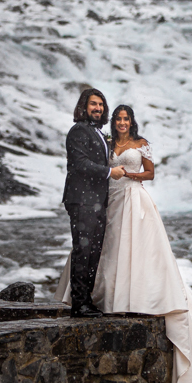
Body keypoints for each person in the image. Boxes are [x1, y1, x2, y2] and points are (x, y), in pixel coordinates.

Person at [56, 104, 192, 383]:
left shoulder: (141, 144)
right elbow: (94, 167)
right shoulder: (106, 143)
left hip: (134, 198)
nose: (122, 122)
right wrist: (112, 176)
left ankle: (136, 295)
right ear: (114, 122)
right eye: (118, 118)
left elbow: (151, 173)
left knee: (138, 251)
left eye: (126, 118)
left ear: (131, 122)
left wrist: (130, 176)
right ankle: (99, 296)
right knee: (101, 248)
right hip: (109, 199)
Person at [61, 88, 125, 318]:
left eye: (101, 105)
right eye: (93, 104)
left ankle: (86, 300)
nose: (98, 108)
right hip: (82, 200)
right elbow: (80, 164)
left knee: (94, 252)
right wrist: (110, 172)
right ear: (83, 107)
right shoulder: (78, 131)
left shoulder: (98, 133)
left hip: (96, 201)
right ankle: (79, 304)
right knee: (84, 250)